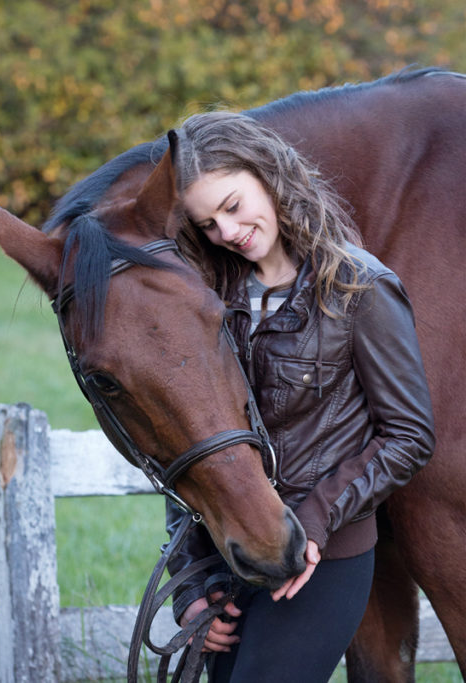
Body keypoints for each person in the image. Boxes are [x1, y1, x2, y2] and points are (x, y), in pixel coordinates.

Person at [165, 112, 434, 682]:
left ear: (268, 174)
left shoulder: (359, 288)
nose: (227, 232)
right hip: (228, 559)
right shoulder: (209, 299)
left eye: (233, 206)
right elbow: (193, 442)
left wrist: (314, 517)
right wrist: (191, 584)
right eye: (208, 224)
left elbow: (409, 436)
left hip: (322, 558)